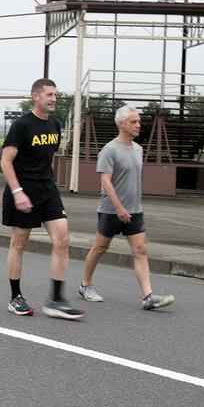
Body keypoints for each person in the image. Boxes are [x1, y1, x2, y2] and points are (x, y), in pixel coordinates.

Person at [1, 78, 84, 320]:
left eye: (55, 94)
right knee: (19, 242)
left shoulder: (55, 125)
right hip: (23, 190)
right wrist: (18, 193)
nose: (54, 98)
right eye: (49, 94)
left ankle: (56, 300)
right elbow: (5, 161)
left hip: (47, 190)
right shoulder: (22, 126)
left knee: (63, 239)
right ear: (36, 96)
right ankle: (15, 296)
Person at [79, 106, 176, 311]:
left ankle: (148, 297)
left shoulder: (138, 149)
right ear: (121, 124)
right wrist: (119, 207)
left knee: (141, 250)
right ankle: (85, 285)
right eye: (133, 122)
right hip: (111, 210)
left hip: (135, 210)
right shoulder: (110, 150)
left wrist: (130, 207)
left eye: (139, 121)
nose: (138, 125)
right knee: (100, 248)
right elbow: (105, 181)